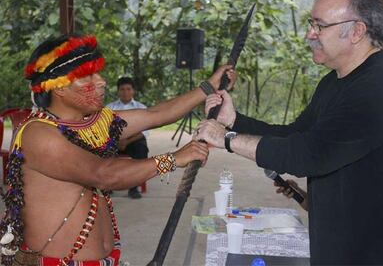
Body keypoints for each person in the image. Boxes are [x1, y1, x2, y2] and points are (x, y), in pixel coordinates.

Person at [195, 0, 383, 264]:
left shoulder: (378, 89)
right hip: (338, 244)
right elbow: (296, 134)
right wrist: (234, 121)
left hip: (374, 251)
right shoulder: (334, 82)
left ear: (357, 31)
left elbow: (309, 154)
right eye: (311, 24)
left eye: (319, 26)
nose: (310, 34)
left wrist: (226, 139)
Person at [0, 34, 235, 266]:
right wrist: (173, 159)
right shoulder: (38, 134)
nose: (101, 81)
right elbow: (104, 174)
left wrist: (209, 87)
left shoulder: (94, 122)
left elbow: (155, 115)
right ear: (59, 87)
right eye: (87, 76)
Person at [107, 77, 149, 199]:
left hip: (134, 140)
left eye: (128, 89)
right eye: (122, 89)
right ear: (118, 91)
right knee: (101, 150)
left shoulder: (141, 108)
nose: (125, 92)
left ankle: (133, 188)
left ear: (133, 91)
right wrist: (117, 141)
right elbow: (105, 130)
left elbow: (144, 131)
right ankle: (107, 185)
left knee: (141, 150)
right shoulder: (109, 108)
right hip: (114, 140)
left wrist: (126, 141)